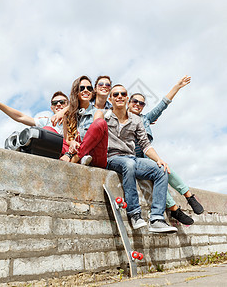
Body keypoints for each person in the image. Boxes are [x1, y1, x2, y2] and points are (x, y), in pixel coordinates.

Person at [128, 76, 204, 225]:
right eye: (134, 101)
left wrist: (177, 86)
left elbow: (163, 104)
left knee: (164, 168)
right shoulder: (121, 119)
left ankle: (189, 197)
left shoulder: (145, 119)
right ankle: (175, 209)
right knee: (160, 172)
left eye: (141, 103)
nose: (138, 104)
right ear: (128, 103)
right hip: (134, 160)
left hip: (148, 156)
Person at [105, 84, 178, 233]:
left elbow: (145, 144)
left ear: (127, 98)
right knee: (129, 165)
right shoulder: (104, 116)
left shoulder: (136, 120)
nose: (119, 96)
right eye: (115, 94)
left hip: (131, 158)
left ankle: (157, 219)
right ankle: (134, 214)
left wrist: (159, 159)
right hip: (112, 158)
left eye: (123, 94)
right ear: (110, 98)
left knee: (160, 170)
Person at [60, 75, 108, 168]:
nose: (86, 90)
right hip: (75, 151)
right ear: (76, 91)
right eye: (82, 88)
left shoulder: (97, 112)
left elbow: (95, 139)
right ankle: (79, 158)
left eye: (89, 88)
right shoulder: (67, 115)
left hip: (94, 155)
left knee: (100, 123)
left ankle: (76, 158)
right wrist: (72, 142)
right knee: (49, 130)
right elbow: (66, 140)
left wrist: (71, 154)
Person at [0, 91, 68, 135]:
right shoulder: (46, 122)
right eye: (55, 103)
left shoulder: (77, 117)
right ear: (51, 108)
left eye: (62, 102)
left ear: (68, 104)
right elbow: (20, 117)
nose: (59, 104)